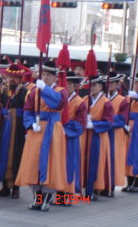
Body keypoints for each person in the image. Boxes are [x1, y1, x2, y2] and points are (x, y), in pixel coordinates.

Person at [15, 61, 68, 212]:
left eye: (47, 75)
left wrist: (45, 90)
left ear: (54, 77)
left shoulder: (61, 91)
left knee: (50, 163)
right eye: (42, 74)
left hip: (52, 130)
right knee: (34, 164)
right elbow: (28, 110)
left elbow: (58, 103)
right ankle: (37, 198)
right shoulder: (33, 92)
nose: (44, 77)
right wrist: (31, 124)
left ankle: (46, 199)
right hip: (37, 130)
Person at [0, 63, 28, 199]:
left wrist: (28, 130)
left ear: (21, 79)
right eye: (10, 77)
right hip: (4, 128)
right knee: (2, 155)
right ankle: (4, 186)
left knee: (17, 156)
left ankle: (16, 188)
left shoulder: (25, 94)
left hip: (18, 130)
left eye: (15, 78)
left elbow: (28, 112)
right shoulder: (1, 92)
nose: (12, 80)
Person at [80, 75, 114, 201]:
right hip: (85, 136)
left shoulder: (107, 103)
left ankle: (92, 189)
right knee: (83, 161)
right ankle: (83, 188)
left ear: (100, 87)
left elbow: (109, 122)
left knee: (95, 162)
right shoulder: (84, 99)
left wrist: (93, 124)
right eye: (91, 85)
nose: (92, 88)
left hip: (98, 136)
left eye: (95, 85)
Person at [56, 71, 86, 205]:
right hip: (57, 136)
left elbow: (80, 124)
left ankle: (67, 195)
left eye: (69, 83)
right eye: (65, 83)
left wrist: (63, 129)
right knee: (57, 164)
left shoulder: (80, 102)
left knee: (69, 165)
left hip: (70, 138)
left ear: (75, 85)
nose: (66, 85)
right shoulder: (59, 99)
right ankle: (58, 193)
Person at [104, 71, 128, 197]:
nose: (110, 85)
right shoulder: (102, 98)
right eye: (108, 83)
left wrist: (106, 121)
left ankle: (111, 186)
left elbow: (122, 119)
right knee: (102, 159)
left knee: (113, 159)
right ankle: (101, 185)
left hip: (114, 132)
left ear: (117, 84)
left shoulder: (122, 100)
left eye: (112, 83)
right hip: (102, 132)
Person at [125, 74, 138, 192]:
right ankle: (129, 182)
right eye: (135, 83)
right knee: (128, 154)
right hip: (130, 129)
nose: (136, 85)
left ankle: (137, 183)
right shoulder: (130, 97)